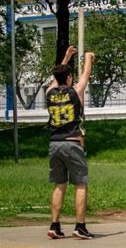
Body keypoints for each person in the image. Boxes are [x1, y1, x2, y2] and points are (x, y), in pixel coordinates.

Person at [46, 46, 95, 239]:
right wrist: (89, 58)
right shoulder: (75, 92)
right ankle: (80, 226)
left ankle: (54, 225)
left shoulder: (49, 93)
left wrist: (66, 58)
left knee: (59, 184)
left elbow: (55, 78)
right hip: (72, 143)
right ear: (68, 79)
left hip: (54, 144)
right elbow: (86, 74)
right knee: (81, 184)